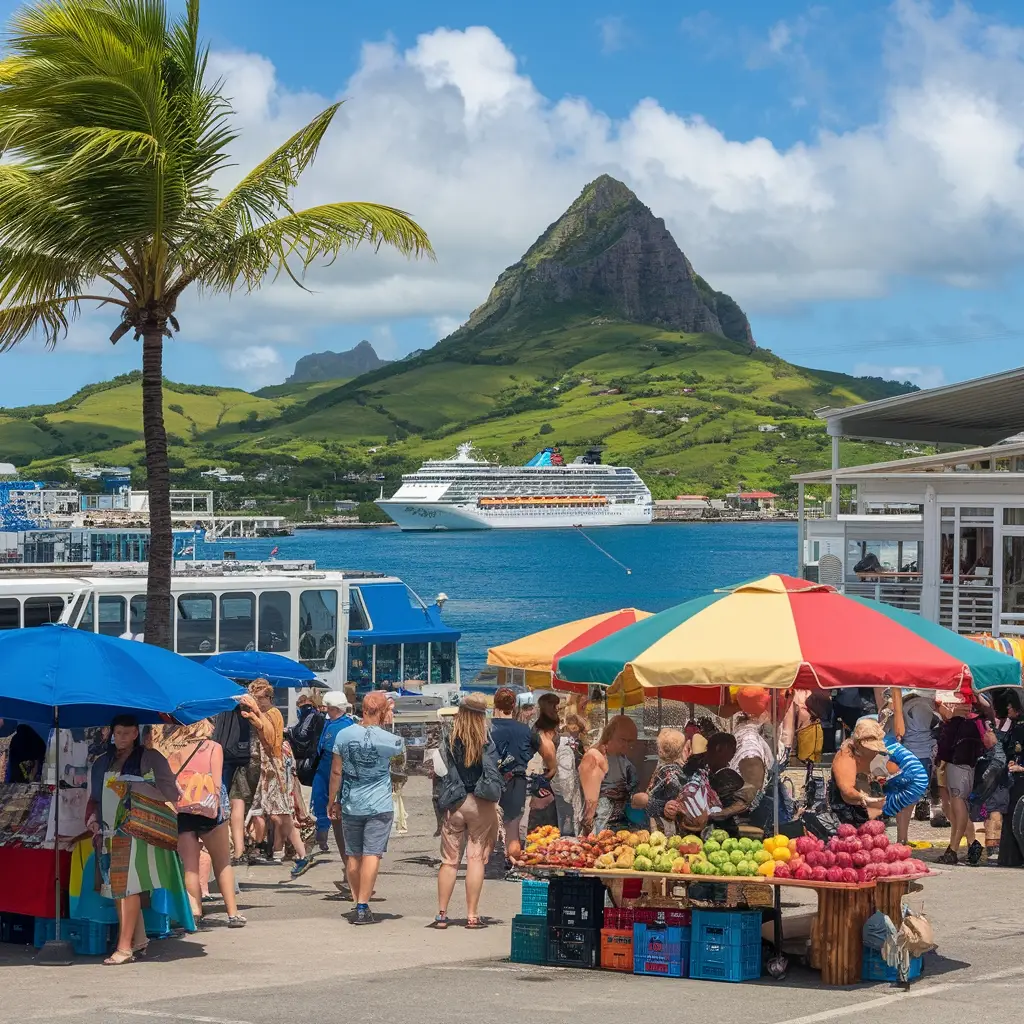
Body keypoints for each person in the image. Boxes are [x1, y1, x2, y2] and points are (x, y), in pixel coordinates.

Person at [85, 715, 188, 965]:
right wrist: (93, 821)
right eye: (118, 732)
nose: (121, 738)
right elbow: (95, 798)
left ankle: (124, 948)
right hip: (108, 831)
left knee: (128, 887)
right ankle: (138, 940)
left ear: (136, 734)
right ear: (112, 733)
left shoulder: (151, 758)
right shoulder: (101, 762)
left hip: (136, 831)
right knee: (117, 888)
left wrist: (138, 787)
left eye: (127, 733)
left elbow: (169, 792)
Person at [157, 721, 246, 929]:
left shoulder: (174, 750)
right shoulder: (213, 748)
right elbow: (216, 784)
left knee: (190, 867)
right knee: (222, 862)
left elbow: (169, 785)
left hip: (184, 812)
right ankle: (233, 914)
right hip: (209, 812)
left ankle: (195, 913)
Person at [328, 691, 405, 924]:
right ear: (382, 712)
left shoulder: (343, 734)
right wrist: (388, 725)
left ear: (362, 709)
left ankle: (356, 900)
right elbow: (401, 769)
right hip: (379, 804)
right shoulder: (389, 739)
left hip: (351, 802)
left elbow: (336, 771)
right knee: (372, 854)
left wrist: (332, 800)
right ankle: (363, 904)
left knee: (353, 855)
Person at [433, 692, 502, 929]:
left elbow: (439, 769)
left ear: (460, 713)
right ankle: (472, 915)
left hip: (455, 802)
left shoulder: (450, 738)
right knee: (475, 858)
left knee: (449, 861)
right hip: (480, 804)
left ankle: (442, 914)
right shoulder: (487, 740)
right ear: (483, 715)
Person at [242, 679, 311, 878]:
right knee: (273, 813)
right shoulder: (264, 714)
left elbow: (272, 739)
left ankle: (301, 853)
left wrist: (256, 716)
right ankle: (290, 851)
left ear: (269, 698)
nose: (258, 702)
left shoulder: (273, 713)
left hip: (276, 766)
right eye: (256, 698)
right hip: (267, 767)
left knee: (281, 813)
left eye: (260, 698)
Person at [935, 693, 994, 865]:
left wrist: (940, 759)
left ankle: (953, 849)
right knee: (957, 806)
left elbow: (946, 746)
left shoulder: (959, 723)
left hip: (958, 765)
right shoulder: (974, 722)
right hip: (966, 765)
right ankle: (971, 844)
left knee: (958, 804)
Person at [489, 687, 538, 863]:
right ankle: (512, 861)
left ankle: (487, 861)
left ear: (495, 704)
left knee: (489, 825)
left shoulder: (488, 728)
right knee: (513, 827)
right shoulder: (524, 729)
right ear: (514, 705)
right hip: (516, 780)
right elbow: (537, 746)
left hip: (491, 781)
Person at [888, 688, 939, 843]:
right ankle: (901, 839)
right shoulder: (923, 706)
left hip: (906, 755)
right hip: (920, 756)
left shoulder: (903, 707)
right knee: (909, 802)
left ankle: (901, 837)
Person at [311, 692, 355, 861]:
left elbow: (332, 761)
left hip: (329, 768)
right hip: (337, 772)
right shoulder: (343, 723)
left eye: (327, 708)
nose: (325, 711)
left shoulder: (337, 727)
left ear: (334, 708)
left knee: (326, 803)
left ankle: (323, 832)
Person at [211, 697, 254, 865]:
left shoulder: (219, 706)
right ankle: (239, 850)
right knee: (238, 802)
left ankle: (224, 849)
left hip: (224, 757)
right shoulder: (246, 710)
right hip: (242, 758)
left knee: (221, 802)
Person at [578, 715, 639, 835]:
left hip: (618, 827)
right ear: (610, 735)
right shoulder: (594, 757)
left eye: (630, 742)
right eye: (622, 740)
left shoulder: (621, 759)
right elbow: (590, 802)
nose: (626, 746)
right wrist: (588, 832)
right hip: (599, 829)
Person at [827, 718, 888, 827]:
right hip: (846, 810)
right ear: (859, 743)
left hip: (867, 807)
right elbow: (846, 789)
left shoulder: (871, 753)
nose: (875, 750)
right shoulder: (846, 755)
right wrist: (864, 798)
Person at [524, 693, 560, 833]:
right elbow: (548, 758)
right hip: (544, 778)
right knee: (543, 825)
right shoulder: (539, 731)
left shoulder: (547, 727)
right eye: (554, 706)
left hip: (549, 779)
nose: (557, 709)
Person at [997, 690, 1024, 867]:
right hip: (1015, 778)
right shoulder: (1014, 725)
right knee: (1011, 817)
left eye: (1011, 705)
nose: (1008, 708)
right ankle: (1011, 857)